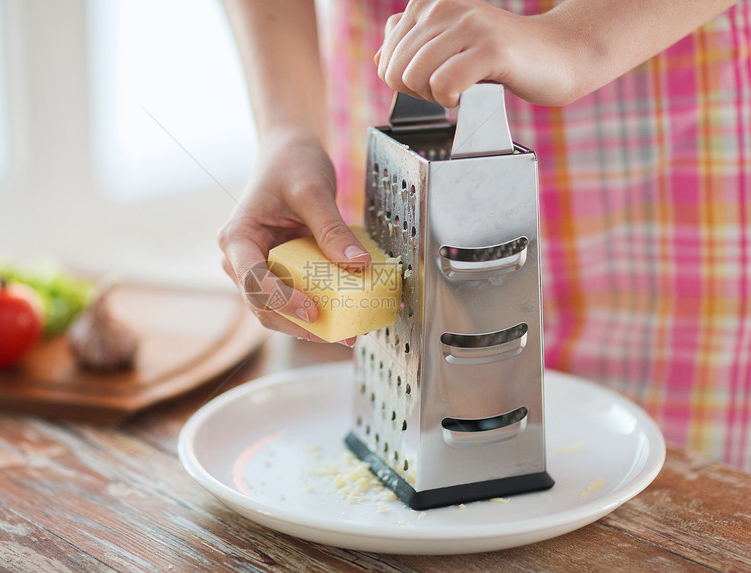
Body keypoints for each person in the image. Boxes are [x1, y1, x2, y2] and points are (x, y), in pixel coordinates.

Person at [217, 0, 751, 471]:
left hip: (658, 148)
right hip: (400, 100)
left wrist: (574, 39)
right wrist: (288, 128)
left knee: (676, 503)